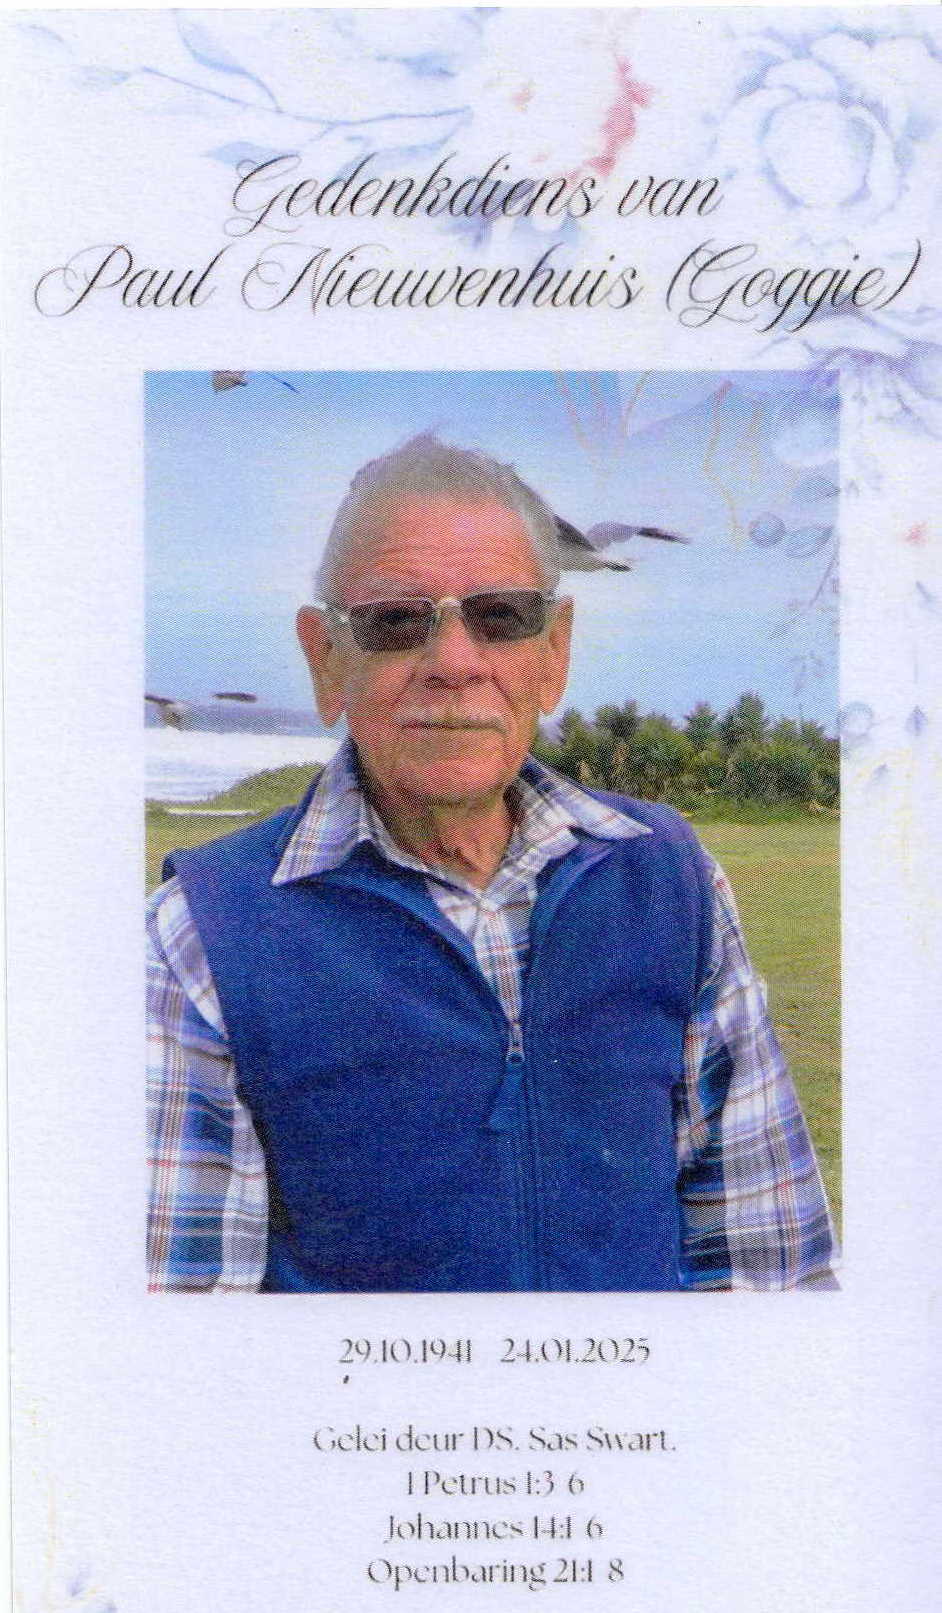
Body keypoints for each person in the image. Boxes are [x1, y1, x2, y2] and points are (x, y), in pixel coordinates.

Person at [147, 434, 837, 1292]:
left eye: (502, 615)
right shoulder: (200, 935)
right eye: (395, 621)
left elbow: (771, 1273)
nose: (454, 662)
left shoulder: (672, 880)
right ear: (326, 659)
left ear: (554, 653)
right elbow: (188, 1342)